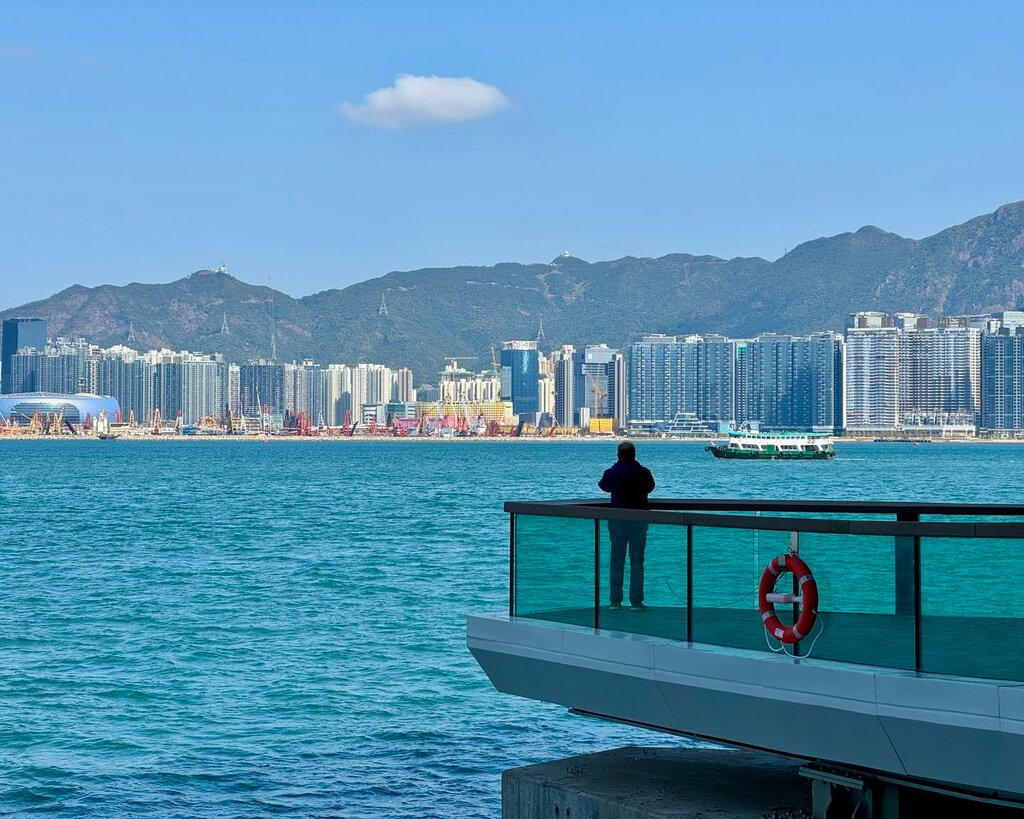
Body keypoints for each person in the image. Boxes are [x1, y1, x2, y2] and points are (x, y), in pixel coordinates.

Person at [598, 441, 655, 611]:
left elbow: (603, 486)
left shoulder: (612, 472)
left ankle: (615, 601)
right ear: (634, 455)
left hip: (617, 522)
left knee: (616, 561)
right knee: (637, 562)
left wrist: (615, 468)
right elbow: (651, 487)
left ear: (618, 455)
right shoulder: (643, 472)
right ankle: (636, 601)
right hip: (638, 521)